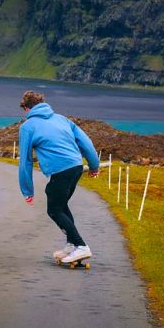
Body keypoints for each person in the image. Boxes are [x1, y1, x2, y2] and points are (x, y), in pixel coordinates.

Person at [18, 90, 100, 264]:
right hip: (76, 166)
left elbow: (25, 159)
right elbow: (86, 142)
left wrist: (27, 190)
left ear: (26, 108)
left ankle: (81, 246)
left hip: (61, 170)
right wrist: (94, 166)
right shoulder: (62, 119)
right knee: (61, 205)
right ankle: (71, 244)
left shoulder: (28, 126)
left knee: (54, 209)